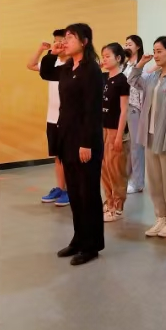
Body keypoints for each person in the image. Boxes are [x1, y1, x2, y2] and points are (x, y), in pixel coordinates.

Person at [39, 24, 105, 265]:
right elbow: (46, 72)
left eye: (71, 37)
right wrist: (52, 53)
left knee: (88, 194)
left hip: (85, 140)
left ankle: (92, 246)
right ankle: (78, 239)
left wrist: (86, 143)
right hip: (66, 137)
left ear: (84, 41)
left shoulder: (92, 70)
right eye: (64, 37)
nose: (65, 41)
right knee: (75, 193)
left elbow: (92, 110)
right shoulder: (67, 68)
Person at [129, 38, 166, 238]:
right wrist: (141, 63)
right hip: (150, 136)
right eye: (154, 51)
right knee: (154, 181)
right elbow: (132, 80)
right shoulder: (153, 77)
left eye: (160, 51)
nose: (156, 55)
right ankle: (160, 217)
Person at [31, 31, 70, 207]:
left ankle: (70, 190)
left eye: (62, 41)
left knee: (68, 156)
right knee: (58, 156)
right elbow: (31, 65)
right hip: (52, 117)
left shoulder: (73, 65)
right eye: (56, 42)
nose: (59, 44)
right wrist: (42, 49)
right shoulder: (52, 65)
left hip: (68, 118)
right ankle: (60, 188)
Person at [98, 43, 131, 221]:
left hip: (115, 130)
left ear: (118, 58)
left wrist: (119, 135)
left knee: (116, 169)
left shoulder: (122, 81)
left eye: (108, 56)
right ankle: (109, 201)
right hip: (102, 129)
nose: (104, 59)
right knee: (104, 168)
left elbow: (124, 110)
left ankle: (118, 206)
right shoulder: (103, 78)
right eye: (103, 56)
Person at [123, 34, 147, 195]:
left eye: (130, 44)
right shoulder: (125, 65)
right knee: (128, 147)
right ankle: (129, 178)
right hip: (124, 107)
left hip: (136, 107)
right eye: (125, 44)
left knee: (136, 146)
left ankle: (138, 182)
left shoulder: (141, 66)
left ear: (138, 46)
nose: (127, 46)